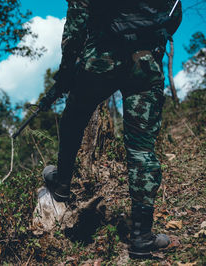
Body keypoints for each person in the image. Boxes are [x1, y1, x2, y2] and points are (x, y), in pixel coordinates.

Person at [40, 0, 182, 258]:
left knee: (73, 118)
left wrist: (65, 71)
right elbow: (174, 13)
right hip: (146, 62)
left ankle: (61, 183)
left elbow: (77, 18)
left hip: (102, 56)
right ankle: (141, 237)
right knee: (142, 149)